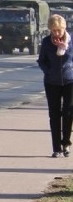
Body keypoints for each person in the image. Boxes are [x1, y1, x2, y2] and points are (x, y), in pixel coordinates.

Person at [37, 14, 73, 157]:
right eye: (53, 30)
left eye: (59, 30)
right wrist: (49, 71)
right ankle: (56, 148)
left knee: (68, 112)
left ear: (64, 28)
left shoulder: (71, 42)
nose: (56, 33)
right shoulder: (47, 42)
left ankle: (66, 143)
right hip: (52, 82)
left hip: (70, 80)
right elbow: (41, 61)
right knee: (54, 114)